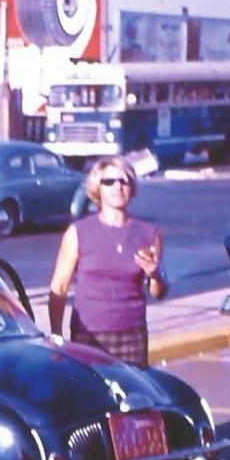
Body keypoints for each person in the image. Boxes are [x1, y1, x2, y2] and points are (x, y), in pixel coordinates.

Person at [48, 155, 168, 366]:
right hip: (88, 334)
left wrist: (155, 274)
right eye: (109, 181)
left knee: (132, 388)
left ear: (132, 187)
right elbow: (59, 287)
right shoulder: (78, 232)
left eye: (124, 181)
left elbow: (159, 293)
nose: (117, 187)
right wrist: (56, 334)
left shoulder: (149, 234)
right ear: (98, 188)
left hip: (132, 335)